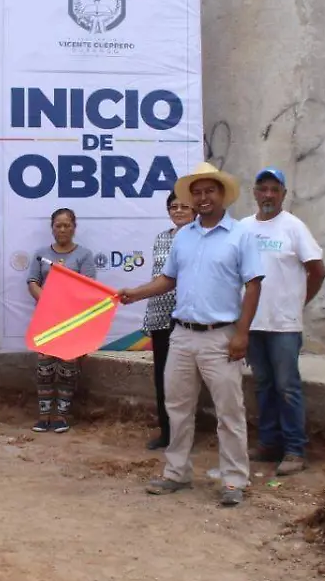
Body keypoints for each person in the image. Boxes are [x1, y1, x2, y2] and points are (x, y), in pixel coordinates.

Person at [120, 162, 265, 507]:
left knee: (229, 412)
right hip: (182, 335)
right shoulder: (183, 236)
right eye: (197, 192)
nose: (202, 197)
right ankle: (176, 473)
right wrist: (136, 293)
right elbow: (168, 279)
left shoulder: (241, 235)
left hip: (221, 337)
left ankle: (233, 480)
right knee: (178, 408)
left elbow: (253, 285)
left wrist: (242, 334)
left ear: (222, 195)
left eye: (209, 191)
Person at [242, 167, 325, 476]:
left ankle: (294, 449)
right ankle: (268, 444)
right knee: (263, 385)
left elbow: (318, 271)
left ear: (283, 195)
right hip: (253, 324)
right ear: (254, 192)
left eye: (274, 190)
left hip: (284, 326)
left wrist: (298, 302)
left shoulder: (293, 227)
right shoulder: (243, 228)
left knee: (287, 387)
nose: (268, 195)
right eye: (263, 189)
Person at [27, 207, 96, 434]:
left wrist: (67, 304)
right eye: (58, 225)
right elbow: (32, 282)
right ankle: (43, 416)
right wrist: (48, 303)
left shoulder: (84, 255)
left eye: (67, 225)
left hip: (72, 320)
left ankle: (61, 417)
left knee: (68, 367)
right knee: (44, 368)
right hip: (47, 319)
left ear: (74, 228)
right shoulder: (40, 254)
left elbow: (88, 287)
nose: (63, 229)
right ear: (52, 228)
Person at [141, 192, 196, 451]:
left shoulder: (199, 237)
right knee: (163, 377)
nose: (179, 211)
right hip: (160, 317)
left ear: (195, 211)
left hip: (188, 317)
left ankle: (186, 434)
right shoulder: (161, 238)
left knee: (186, 380)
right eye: (174, 207)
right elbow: (157, 277)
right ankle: (166, 432)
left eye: (185, 206)